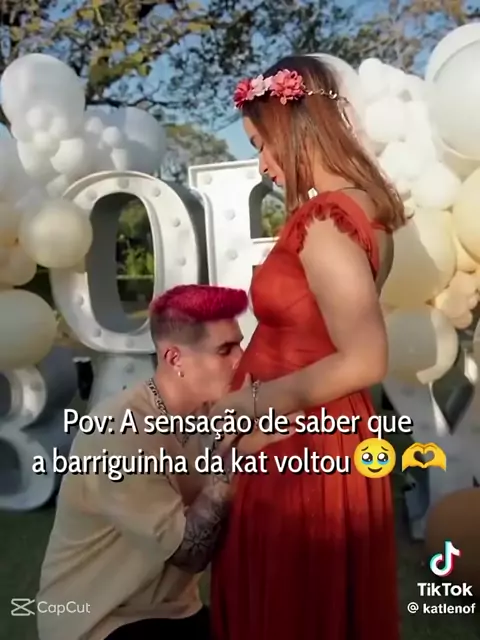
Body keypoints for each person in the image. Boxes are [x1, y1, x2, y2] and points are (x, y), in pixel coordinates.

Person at [208, 56, 407, 640]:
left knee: (288, 611)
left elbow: (366, 357)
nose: (262, 164)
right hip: (316, 434)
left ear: (293, 127)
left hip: (300, 444)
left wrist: (250, 403)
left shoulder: (326, 222)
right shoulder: (364, 212)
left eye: (261, 144)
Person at [37, 284, 295, 640]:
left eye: (240, 344)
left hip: (173, 611)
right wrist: (229, 465)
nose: (240, 358)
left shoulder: (211, 410)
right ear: (175, 359)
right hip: (100, 621)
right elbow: (189, 553)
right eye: (225, 350)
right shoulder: (121, 431)